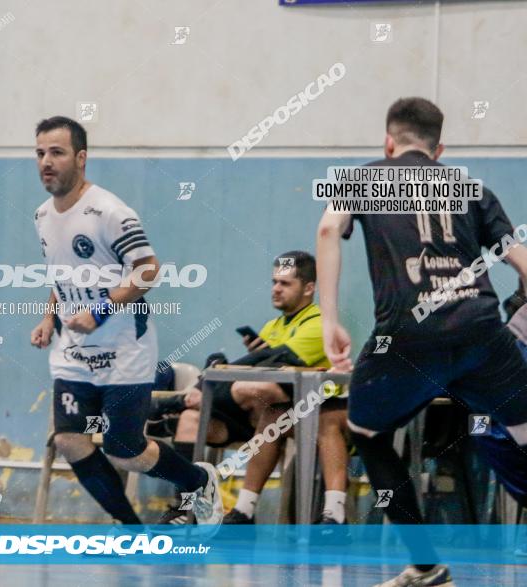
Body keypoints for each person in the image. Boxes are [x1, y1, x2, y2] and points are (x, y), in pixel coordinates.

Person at [317, 97, 527, 587]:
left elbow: (329, 227)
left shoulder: (361, 178)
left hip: (406, 338)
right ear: (439, 150)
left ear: (388, 143)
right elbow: (520, 260)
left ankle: (427, 565)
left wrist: (330, 320)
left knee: (367, 435)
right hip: (481, 331)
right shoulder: (471, 187)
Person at [29, 116, 222, 526]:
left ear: (81, 158)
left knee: (123, 449)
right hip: (73, 352)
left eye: (57, 152)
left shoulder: (109, 211)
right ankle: (132, 531)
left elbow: (149, 270)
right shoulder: (42, 215)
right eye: (41, 153)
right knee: (69, 439)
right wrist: (49, 317)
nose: (46, 161)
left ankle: (197, 482)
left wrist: (100, 310)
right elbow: (61, 274)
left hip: (124, 351)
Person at [160, 252, 349, 528]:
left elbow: (276, 372)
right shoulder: (272, 327)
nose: (275, 289)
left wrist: (215, 380)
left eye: (285, 283)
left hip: (303, 417)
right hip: (257, 418)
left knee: (259, 390)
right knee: (191, 421)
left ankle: (185, 401)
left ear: (309, 288)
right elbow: (258, 366)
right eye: (274, 282)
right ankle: (184, 509)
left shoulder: (320, 323)